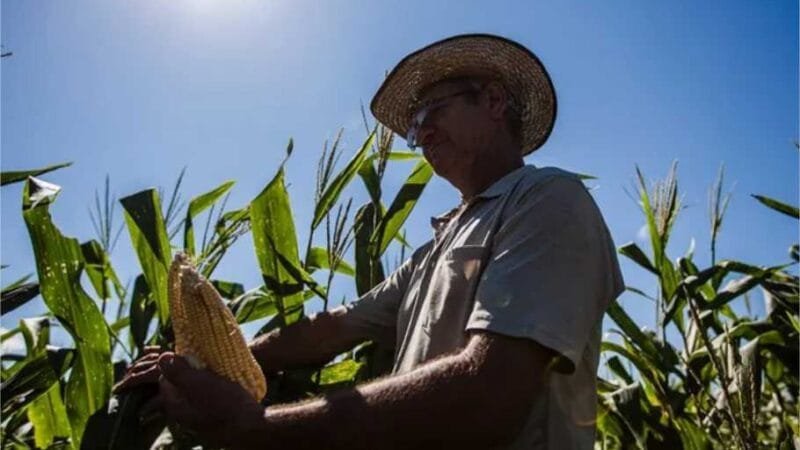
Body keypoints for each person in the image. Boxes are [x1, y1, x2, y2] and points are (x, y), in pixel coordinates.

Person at [115, 33, 624, 449]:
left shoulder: (547, 201)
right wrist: (215, 357)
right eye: (414, 127)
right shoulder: (437, 247)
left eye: (432, 112)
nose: (421, 135)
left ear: (493, 100)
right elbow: (333, 328)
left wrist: (255, 429)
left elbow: (489, 395)